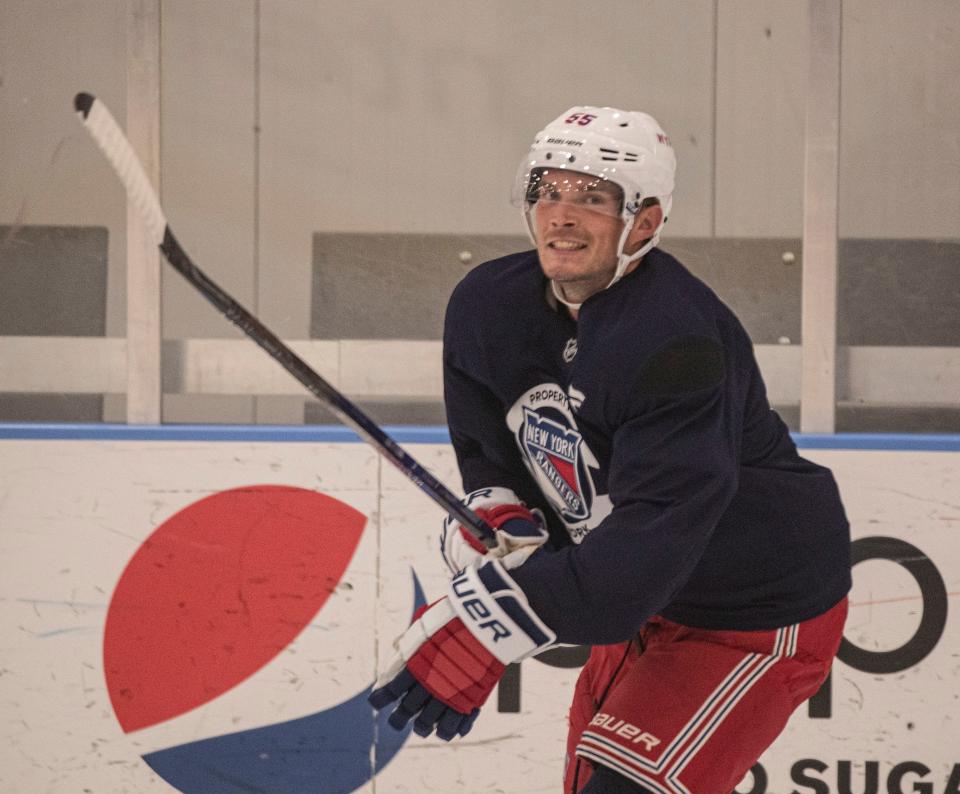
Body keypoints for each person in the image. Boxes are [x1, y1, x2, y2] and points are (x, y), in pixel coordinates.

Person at [369, 106, 852, 793]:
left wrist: (491, 623)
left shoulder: (675, 342)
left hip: (750, 611)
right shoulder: (487, 304)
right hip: (638, 596)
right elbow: (489, 445)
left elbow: (651, 541)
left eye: (593, 198)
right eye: (549, 191)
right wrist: (505, 516)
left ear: (645, 223)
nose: (561, 214)